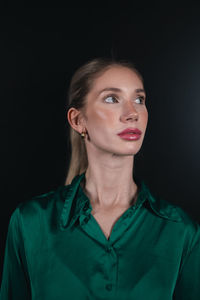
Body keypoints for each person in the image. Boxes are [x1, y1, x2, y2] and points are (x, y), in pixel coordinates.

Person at [1, 57, 200, 300]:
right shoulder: (30, 224)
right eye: (112, 99)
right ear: (78, 120)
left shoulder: (180, 231)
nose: (132, 113)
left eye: (139, 99)